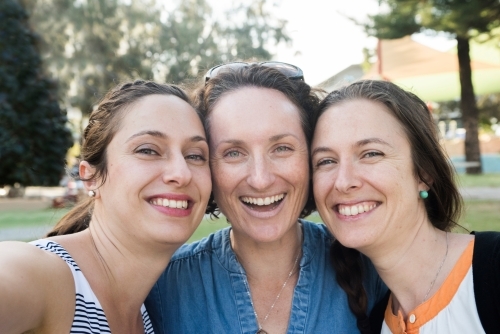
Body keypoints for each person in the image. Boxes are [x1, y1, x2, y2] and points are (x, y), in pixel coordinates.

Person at [145, 63, 387, 333]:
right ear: (206, 165)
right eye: (233, 152)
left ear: (310, 157)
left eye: (281, 148)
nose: (260, 179)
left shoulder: (376, 270)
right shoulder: (159, 289)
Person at [0, 80, 211, 333]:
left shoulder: (154, 314)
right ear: (91, 176)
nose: (182, 173)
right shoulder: (42, 276)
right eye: (148, 150)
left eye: (195, 155)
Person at [311, 80, 500, 334]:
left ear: (424, 171)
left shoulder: (493, 271)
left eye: (371, 153)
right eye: (326, 161)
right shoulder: (376, 321)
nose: (343, 182)